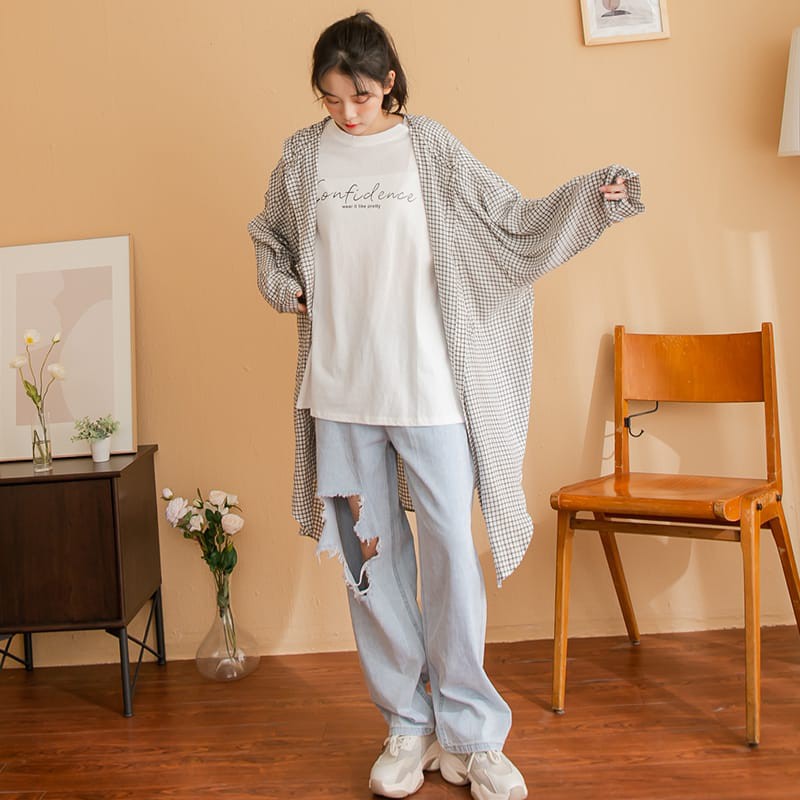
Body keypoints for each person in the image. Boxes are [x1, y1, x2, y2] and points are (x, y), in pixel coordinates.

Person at [249, 11, 644, 800]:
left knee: (452, 561)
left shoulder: (428, 148)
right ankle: (408, 726)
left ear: (388, 82)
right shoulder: (301, 157)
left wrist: (591, 199)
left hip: (428, 389)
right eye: (331, 98)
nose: (347, 112)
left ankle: (473, 735)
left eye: (361, 96)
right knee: (366, 564)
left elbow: (511, 221)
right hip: (337, 395)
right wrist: (283, 284)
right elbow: (270, 237)